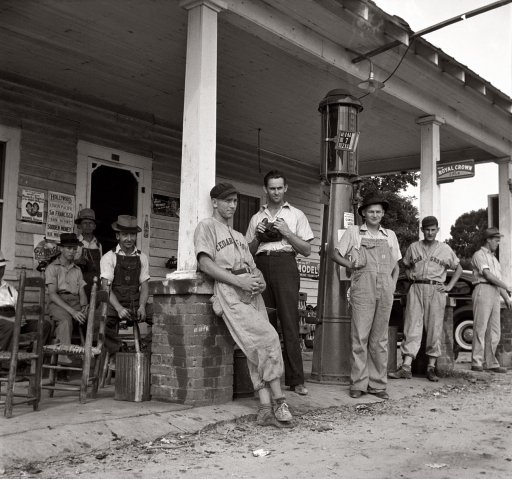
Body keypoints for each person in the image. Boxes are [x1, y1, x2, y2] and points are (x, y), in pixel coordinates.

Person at [195, 183, 293, 428]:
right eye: (227, 200)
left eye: (235, 201)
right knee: (268, 337)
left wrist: (258, 281)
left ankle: (264, 408)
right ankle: (280, 400)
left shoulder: (239, 236)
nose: (232, 205)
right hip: (229, 290)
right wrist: (238, 280)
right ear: (215, 202)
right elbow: (206, 264)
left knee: (254, 349)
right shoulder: (206, 227)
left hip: (251, 291)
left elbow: (254, 267)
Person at [246, 170, 314, 396]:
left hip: (286, 264)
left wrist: (286, 232)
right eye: (271, 188)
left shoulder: (296, 215)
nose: (275, 192)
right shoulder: (257, 217)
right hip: (261, 266)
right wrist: (258, 236)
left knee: (289, 322)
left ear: (286, 188)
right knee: (265, 324)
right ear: (265, 190)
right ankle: (267, 380)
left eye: (279, 188)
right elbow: (248, 253)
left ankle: (296, 380)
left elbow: (306, 250)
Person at [331, 195, 401, 400]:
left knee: (380, 339)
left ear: (383, 214)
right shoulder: (354, 232)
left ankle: (378, 384)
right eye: (371, 211)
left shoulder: (390, 235)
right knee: (360, 337)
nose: (375, 215)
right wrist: (350, 265)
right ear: (363, 213)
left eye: (379, 212)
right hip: (362, 288)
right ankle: (359, 384)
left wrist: (392, 283)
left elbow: (396, 266)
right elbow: (335, 254)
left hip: (385, 289)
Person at [389, 216, 462, 382]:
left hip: (435, 288)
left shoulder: (445, 249)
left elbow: (458, 268)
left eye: (433, 229)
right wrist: (409, 275)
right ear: (422, 230)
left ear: (437, 230)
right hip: (416, 287)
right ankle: (406, 367)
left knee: (434, 328)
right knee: (411, 326)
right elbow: (406, 266)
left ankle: (431, 367)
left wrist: (449, 287)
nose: (430, 233)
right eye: (427, 229)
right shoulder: (414, 247)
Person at [100, 215, 151, 353]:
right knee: (99, 322)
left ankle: (143, 347)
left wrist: (142, 306)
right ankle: (119, 350)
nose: (129, 239)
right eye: (125, 234)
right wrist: (118, 308)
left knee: (163, 317)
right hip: (114, 303)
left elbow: (145, 286)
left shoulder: (142, 257)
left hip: (135, 302)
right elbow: (106, 287)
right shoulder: (108, 257)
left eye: (132, 234)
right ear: (118, 236)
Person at [470, 227, 512, 373]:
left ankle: (491, 363)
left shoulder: (494, 259)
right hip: (482, 288)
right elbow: (487, 276)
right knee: (480, 327)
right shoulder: (479, 255)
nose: (498, 242)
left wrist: (506, 297)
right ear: (488, 240)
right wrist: (506, 286)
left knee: (494, 330)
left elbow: (496, 280)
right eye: (496, 239)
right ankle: (477, 361)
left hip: (494, 292)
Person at [45, 234, 88, 368]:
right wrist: (73, 312)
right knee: (65, 320)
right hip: (58, 302)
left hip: (75, 302)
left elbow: (81, 292)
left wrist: (85, 306)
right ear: (61, 248)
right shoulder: (52, 268)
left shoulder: (77, 269)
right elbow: (52, 294)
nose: (72, 252)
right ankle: (63, 362)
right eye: (69, 248)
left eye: (74, 249)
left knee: (94, 318)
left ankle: (94, 359)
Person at [0, 250, 52, 352]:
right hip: (3, 322)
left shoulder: (9, 288)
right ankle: (6, 363)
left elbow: (19, 308)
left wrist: (21, 318)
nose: (0, 271)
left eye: (2, 268)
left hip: (14, 319)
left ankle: (30, 358)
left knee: (44, 325)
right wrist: (10, 320)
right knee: (11, 326)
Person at [74, 208, 102, 300]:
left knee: (94, 309)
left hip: (96, 283)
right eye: (85, 223)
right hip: (80, 283)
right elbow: (68, 265)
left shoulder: (98, 245)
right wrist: (78, 261)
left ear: (94, 226)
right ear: (79, 226)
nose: (88, 226)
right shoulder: (75, 243)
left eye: (90, 223)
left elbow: (101, 265)